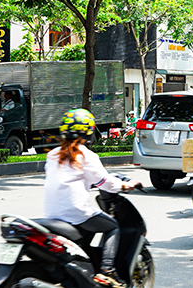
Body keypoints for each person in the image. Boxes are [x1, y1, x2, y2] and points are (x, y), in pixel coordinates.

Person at [44, 108, 140, 288]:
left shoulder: (52, 155)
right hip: (76, 214)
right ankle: (107, 271)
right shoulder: (87, 155)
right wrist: (125, 184)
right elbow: (106, 183)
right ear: (88, 132)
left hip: (52, 215)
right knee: (113, 227)